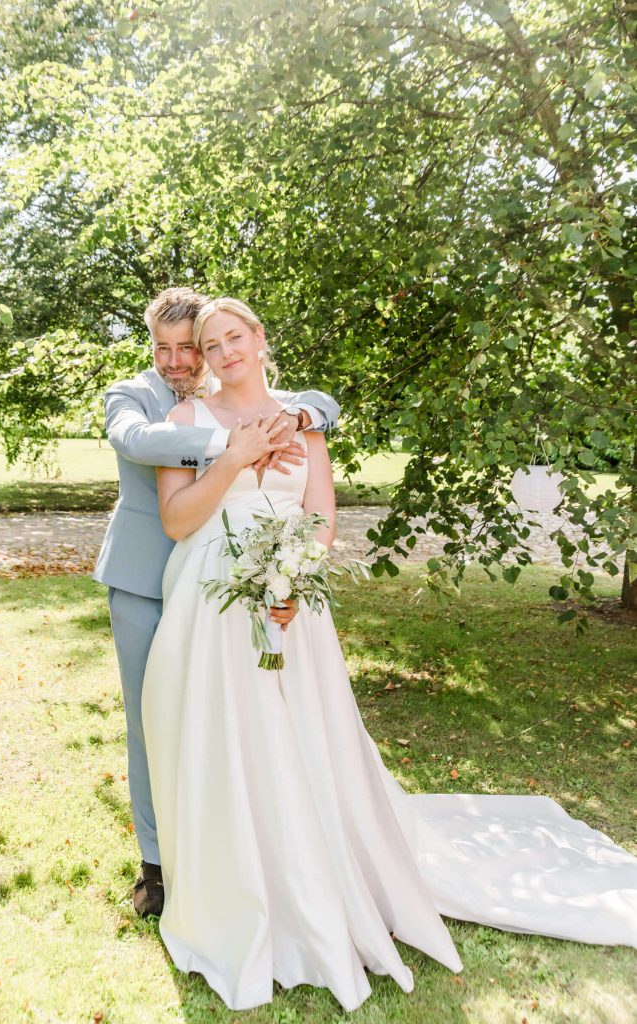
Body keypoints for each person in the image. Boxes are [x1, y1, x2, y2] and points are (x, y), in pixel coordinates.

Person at [142, 297, 637, 1013]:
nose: (222, 354)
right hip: (205, 610)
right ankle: (233, 897)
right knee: (221, 748)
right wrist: (233, 459)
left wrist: (293, 584)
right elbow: (177, 520)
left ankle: (310, 881)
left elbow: (319, 522)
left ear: (258, 337)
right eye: (209, 345)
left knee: (296, 745)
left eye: (233, 338)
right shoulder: (185, 425)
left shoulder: (303, 423)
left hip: (288, 610)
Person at [93, 287, 340, 916]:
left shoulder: (252, 401)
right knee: (152, 723)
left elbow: (320, 404)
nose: (177, 361)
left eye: (188, 349)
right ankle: (158, 865)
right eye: (164, 348)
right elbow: (135, 441)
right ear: (152, 345)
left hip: (228, 584)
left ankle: (245, 845)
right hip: (146, 578)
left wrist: (302, 417)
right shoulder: (134, 397)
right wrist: (232, 447)